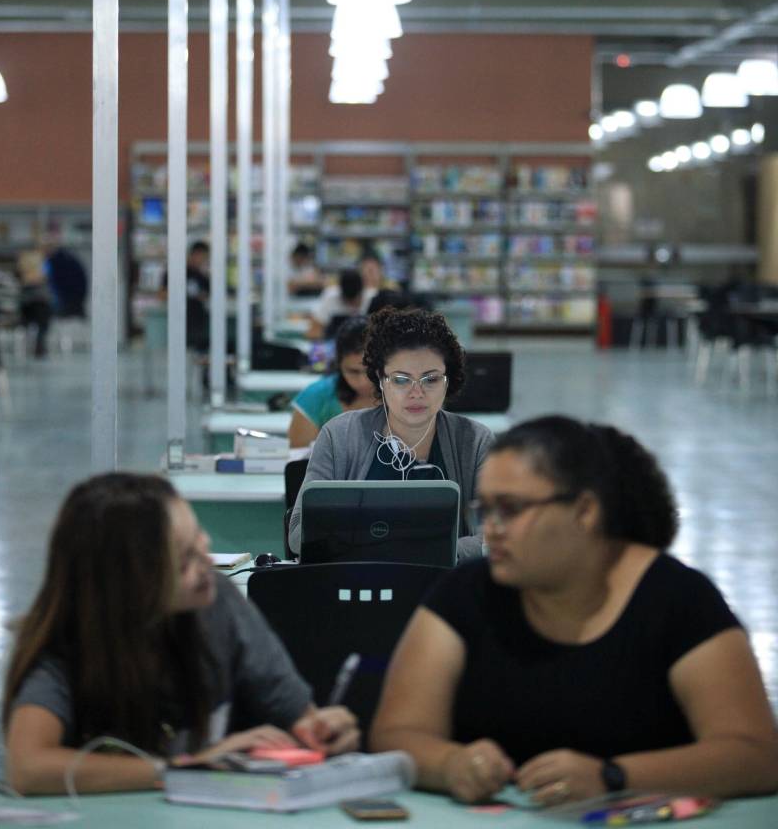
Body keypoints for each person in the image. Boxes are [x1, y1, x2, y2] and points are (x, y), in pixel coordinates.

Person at [370, 416, 778, 805]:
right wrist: (449, 765)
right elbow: (397, 732)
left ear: (585, 511)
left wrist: (614, 777)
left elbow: (755, 755)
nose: (491, 528)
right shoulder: (464, 595)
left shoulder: (678, 600)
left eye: (511, 510)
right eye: (485, 510)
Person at [2, 472, 359, 795]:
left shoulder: (219, 606)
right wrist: (185, 768)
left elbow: (299, 716)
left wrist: (322, 731)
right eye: (184, 560)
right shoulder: (68, 647)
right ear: (128, 585)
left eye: (200, 540)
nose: (206, 564)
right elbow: (29, 768)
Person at [288, 306, 492, 559]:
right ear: (380, 379)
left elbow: (493, 537)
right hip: (358, 584)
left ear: (448, 380)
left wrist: (412, 552)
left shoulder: (475, 440)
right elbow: (298, 534)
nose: (416, 393)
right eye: (401, 379)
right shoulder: (339, 435)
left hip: (445, 588)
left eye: (431, 379)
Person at [288, 317, 378, 450]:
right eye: (352, 371)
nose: (363, 381)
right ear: (339, 365)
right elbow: (299, 460)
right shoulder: (316, 397)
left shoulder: (402, 394)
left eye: (370, 371)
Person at [307, 267, 376, 341]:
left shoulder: (372, 298)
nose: (351, 306)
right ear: (340, 292)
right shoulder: (330, 297)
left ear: (362, 291)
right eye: (348, 301)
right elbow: (313, 332)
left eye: (355, 302)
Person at [17, 248, 52, 358]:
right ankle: (38, 345)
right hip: (31, 306)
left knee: (42, 310)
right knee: (42, 313)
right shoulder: (35, 273)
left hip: (35, 305)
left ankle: (38, 344)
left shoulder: (43, 271)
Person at [45, 245, 88, 319]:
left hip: (69, 301)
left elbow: (54, 283)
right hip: (76, 299)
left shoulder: (56, 263)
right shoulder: (66, 260)